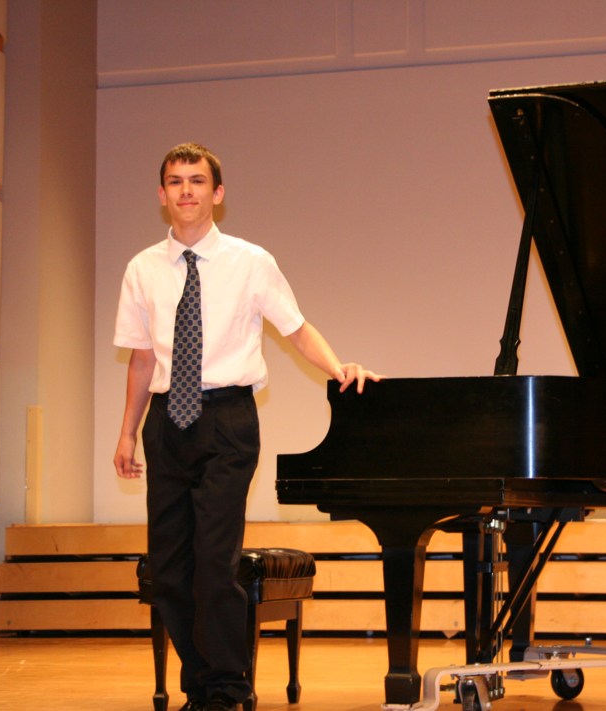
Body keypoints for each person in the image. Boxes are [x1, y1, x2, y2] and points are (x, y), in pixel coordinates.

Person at [113, 142, 380, 711]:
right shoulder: (141, 269)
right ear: (161, 194)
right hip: (165, 422)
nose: (186, 190)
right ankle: (201, 684)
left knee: (215, 563)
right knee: (169, 570)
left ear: (218, 193)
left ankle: (228, 690)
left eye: (197, 180)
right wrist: (127, 432)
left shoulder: (251, 261)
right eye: (176, 181)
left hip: (227, 421)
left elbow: (296, 328)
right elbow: (140, 358)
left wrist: (340, 369)